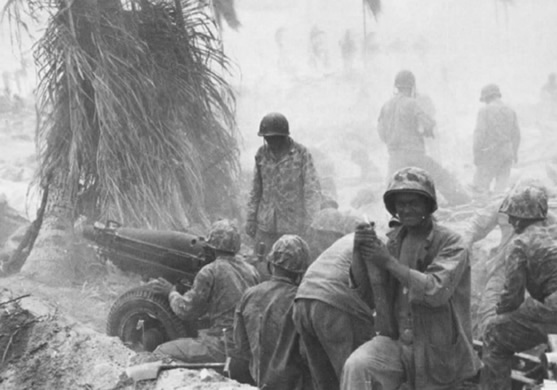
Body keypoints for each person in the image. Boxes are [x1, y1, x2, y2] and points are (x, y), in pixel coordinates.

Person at [342, 166, 479, 389]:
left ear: (428, 204)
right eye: (401, 204)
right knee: (358, 365)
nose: (406, 210)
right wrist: (360, 251)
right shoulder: (394, 241)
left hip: (438, 351)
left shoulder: (452, 243)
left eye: (413, 203)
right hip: (399, 344)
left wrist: (387, 261)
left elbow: (435, 291)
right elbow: (366, 294)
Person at [479, 185, 557, 390]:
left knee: (494, 334)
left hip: (553, 307)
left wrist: (498, 316)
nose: (511, 221)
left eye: (512, 216)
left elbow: (512, 297)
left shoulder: (520, 242)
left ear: (518, 218)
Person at [150, 219, 260, 363]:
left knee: (161, 351)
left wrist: (171, 292)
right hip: (250, 346)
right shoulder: (251, 271)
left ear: (212, 246)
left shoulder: (210, 271)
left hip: (224, 347)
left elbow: (186, 310)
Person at [293, 209, 375, 390]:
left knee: (323, 380)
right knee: (351, 376)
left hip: (303, 299)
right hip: (333, 303)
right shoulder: (377, 243)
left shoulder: (343, 242)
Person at [246, 112, 322, 278]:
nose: (271, 143)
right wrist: (251, 219)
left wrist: (311, 222)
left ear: (284, 136)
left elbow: (312, 190)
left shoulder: (301, 154)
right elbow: (255, 189)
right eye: (267, 138)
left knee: (292, 270)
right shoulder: (261, 154)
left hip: (293, 226)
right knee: (263, 269)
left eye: (274, 139)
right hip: (266, 226)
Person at [377, 70, 470, 206]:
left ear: (396, 87)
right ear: (412, 86)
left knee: (392, 187)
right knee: (441, 177)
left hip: (394, 158)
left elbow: (381, 132)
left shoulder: (385, 106)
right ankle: (463, 202)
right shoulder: (411, 103)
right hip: (414, 154)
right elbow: (427, 124)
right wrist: (427, 129)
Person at [233, 235, 312, 390]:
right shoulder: (301, 301)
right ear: (302, 269)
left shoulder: (249, 295)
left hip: (259, 380)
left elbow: (241, 345)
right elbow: (308, 353)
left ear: (271, 263)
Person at [472, 84, 521, 194]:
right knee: (501, 190)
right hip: (507, 152)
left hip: (490, 153)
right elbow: (516, 134)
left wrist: (476, 154)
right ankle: (499, 209)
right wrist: (515, 153)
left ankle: (484, 210)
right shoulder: (510, 110)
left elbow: (479, 134)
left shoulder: (484, 111)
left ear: (486, 97)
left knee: (479, 188)